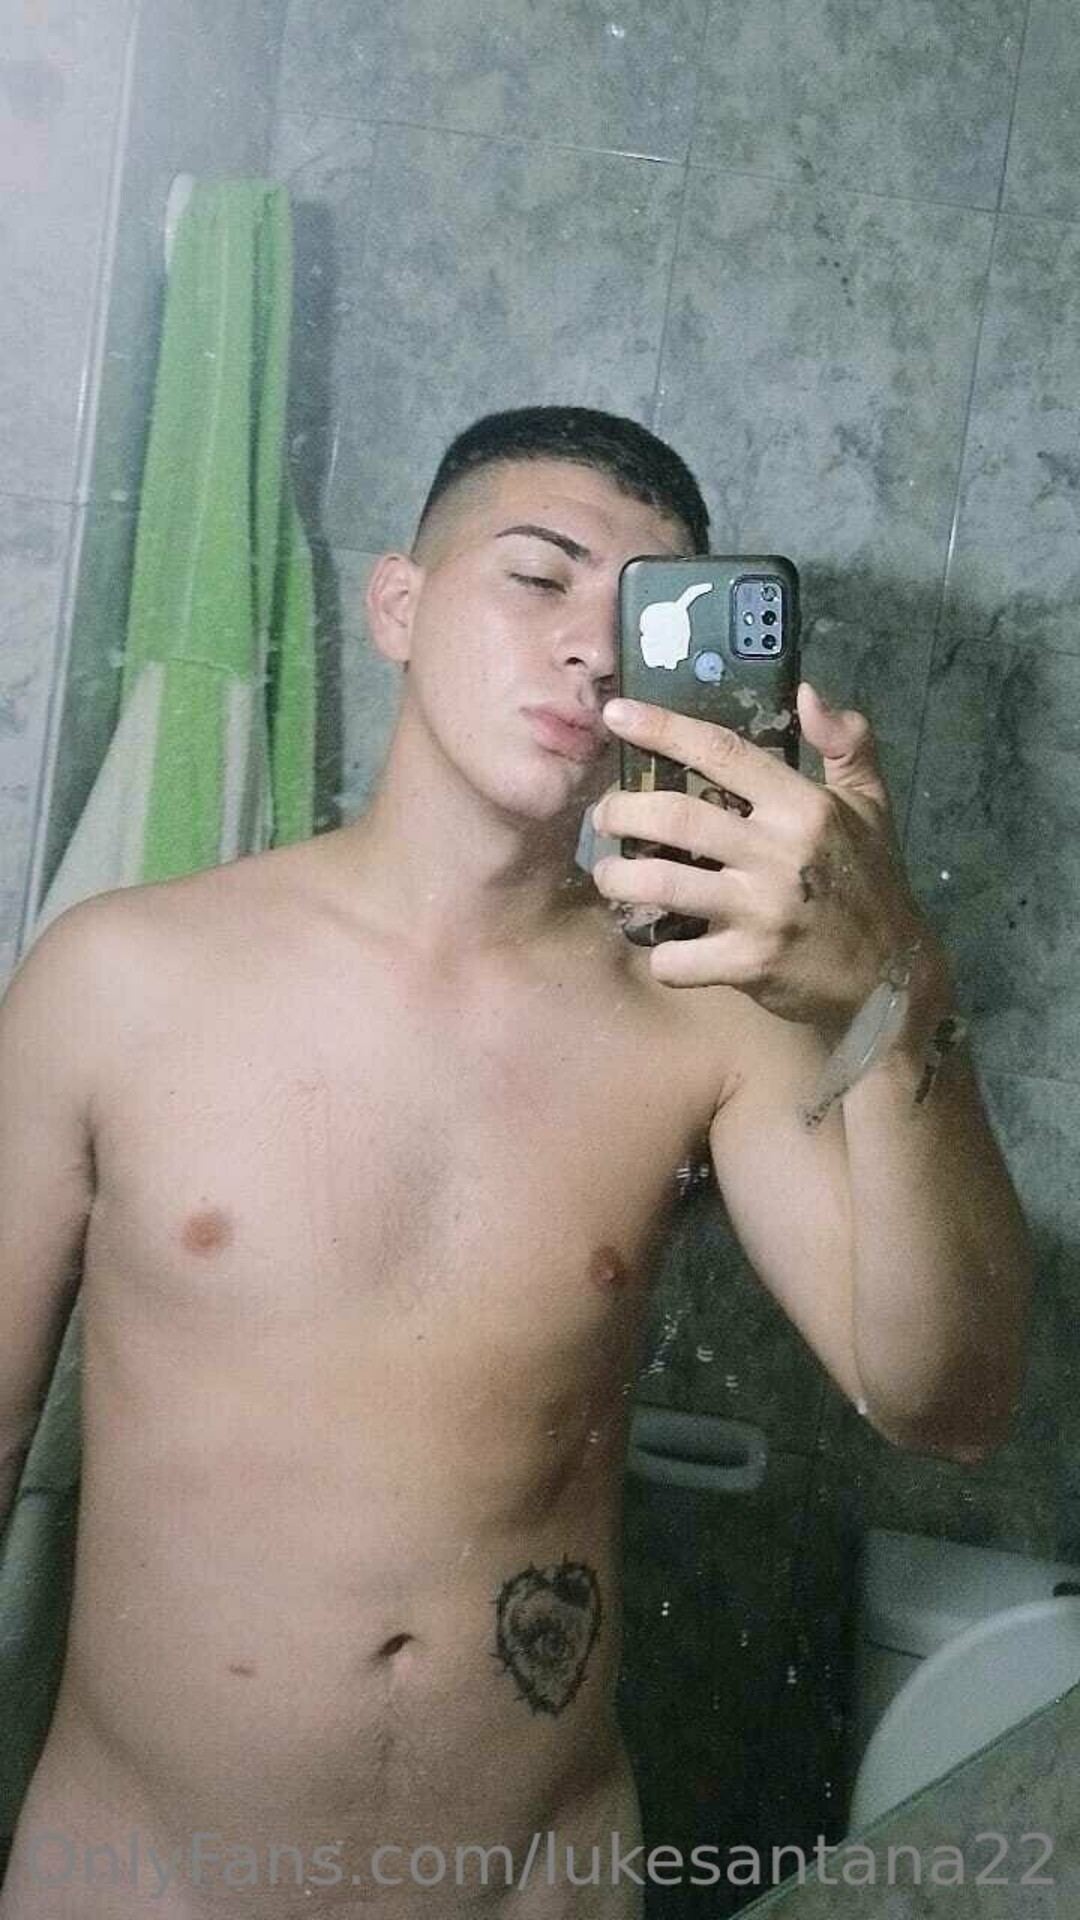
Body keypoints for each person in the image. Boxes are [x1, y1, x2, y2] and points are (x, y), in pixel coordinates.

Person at [0, 407, 1032, 1918]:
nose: (591, 652)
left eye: (642, 619)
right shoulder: (117, 979)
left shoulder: (710, 1019)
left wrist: (898, 983)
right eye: (538, 577)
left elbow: (950, 1401)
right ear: (398, 605)